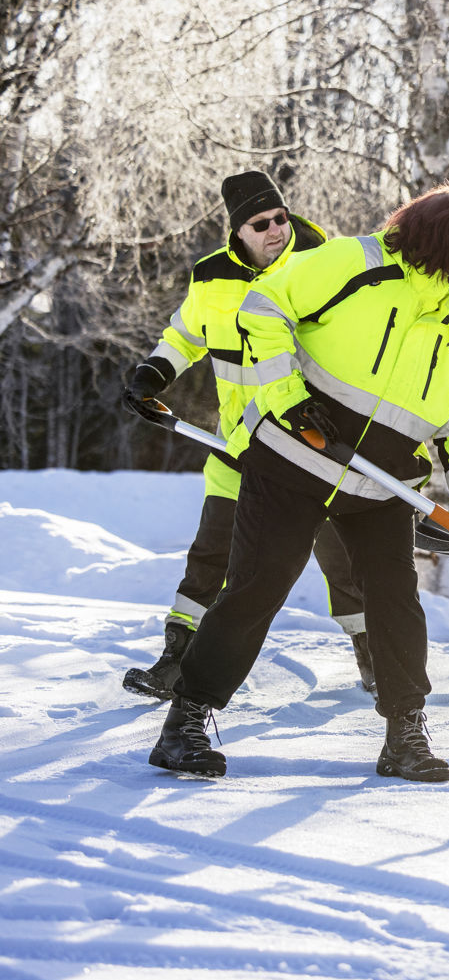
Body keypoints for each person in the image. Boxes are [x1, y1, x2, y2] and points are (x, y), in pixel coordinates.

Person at [145, 184, 449, 783]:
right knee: (257, 588)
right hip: (292, 459)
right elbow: (263, 308)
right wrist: (287, 396)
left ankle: (404, 734)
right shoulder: (353, 263)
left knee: (396, 602)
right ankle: (185, 721)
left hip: (380, 487)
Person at [121, 171, 377, 699]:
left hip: (315, 450)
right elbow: (185, 335)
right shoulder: (211, 277)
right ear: (237, 231)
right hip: (237, 445)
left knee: (343, 564)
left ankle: (374, 660)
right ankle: (176, 659)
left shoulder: (322, 268)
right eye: (260, 223)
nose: (276, 230)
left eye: (281, 217)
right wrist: (153, 373)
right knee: (210, 557)